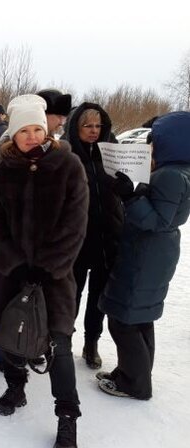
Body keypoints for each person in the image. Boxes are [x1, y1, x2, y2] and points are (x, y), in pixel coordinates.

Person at [0, 94, 89, 448]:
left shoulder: (68, 167)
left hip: (53, 278)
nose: (31, 136)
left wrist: (46, 267)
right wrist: (13, 262)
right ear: (12, 132)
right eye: (23, 130)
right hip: (8, 272)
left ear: (46, 130)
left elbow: (75, 225)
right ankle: (15, 389)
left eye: (37, 129)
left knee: (58, 344)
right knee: (9, 335)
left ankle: (67, 416)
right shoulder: (2, 171)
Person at [97, 111, 190, 400]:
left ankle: (135, 384)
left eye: (153, 142)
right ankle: (134, 372)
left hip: (146, 255)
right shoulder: (180, 170)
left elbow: (156, 221)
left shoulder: (171, 175)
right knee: (140, 318)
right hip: (156, 254)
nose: (150, 147)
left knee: (123, 321)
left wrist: (130, 196)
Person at [61, 102, 123, 370]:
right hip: (77, 240)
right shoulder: (66, 154)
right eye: (88, 126)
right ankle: (62, 342)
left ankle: (92, 342)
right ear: (76, 127)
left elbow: (125, 190)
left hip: (106, 238)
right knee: (70, 295)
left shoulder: (112, 153)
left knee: (98, 297)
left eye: (98, 125)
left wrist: (125, 186)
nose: (94, 131)